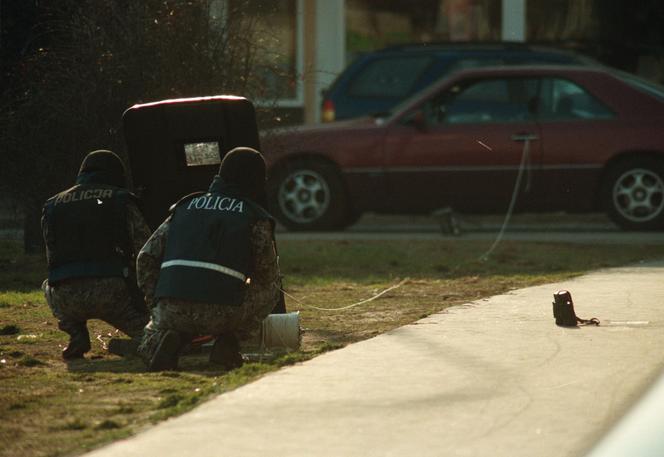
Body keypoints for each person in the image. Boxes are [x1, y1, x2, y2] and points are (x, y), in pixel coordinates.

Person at [136, 147, 282, 371]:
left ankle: (161, 341)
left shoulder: (184, 208)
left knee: (156, 328)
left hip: (172, 308)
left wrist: (156, 302)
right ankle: (229, 342)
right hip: (224, 315)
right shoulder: (254, 217)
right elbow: (268, 275)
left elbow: (146, 258)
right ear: (255, 180)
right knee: (272, 287)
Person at [41, 150, 151, 360]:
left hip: (66, 296)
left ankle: (76, 333)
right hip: (113, 293)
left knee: (47, 285)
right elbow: (145, 249)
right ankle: (130, 345)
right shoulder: (120, 199)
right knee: (154, 337)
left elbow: (51, 256)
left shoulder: (52, 204)